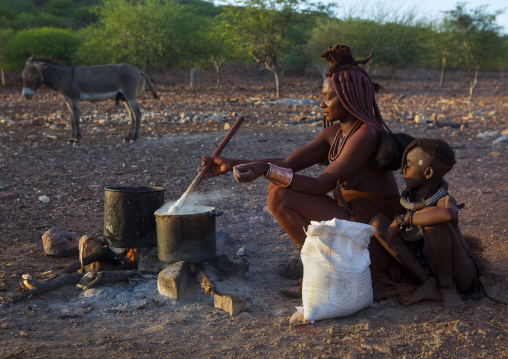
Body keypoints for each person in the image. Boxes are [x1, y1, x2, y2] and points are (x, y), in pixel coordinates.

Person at [202, 44, 409, 297]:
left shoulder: (365, 134)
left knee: (280, 194)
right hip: (351, 214)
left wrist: (265, 170)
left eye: (328, 96)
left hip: (370, 229)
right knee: (279, 189)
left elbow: (321, 185)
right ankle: (312, 263)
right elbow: (288, 162)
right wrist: (232, 164)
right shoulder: (335, 133)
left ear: (351, 98)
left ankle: (314, 267)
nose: (322, 103)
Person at [370, 138, 485, 313]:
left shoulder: (445, 199)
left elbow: (448, 213)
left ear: (428, 172)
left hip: (459, 271)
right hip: (427, 263)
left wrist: (403, 220)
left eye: (408, 165)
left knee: (433, 224)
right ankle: (428, 281)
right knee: (377, 224)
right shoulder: (412, 198)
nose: (403, 171)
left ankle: (447, 288)